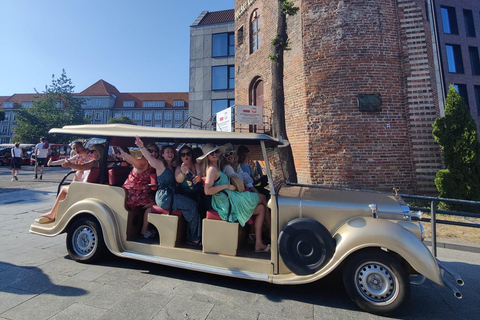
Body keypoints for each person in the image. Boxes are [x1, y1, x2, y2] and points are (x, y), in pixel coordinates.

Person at [198, 143, 270, 252]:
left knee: (261, 209)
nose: (214, 154)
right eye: (211, 153)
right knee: (263, 198)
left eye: (216, 152)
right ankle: (271, 230)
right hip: (226, 202)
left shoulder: (217, 167)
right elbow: (207, 190)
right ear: (207, 157)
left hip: (230, 198)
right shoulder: (212, 169)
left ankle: (259, 243)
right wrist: (226, 186)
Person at [136, 136, 201, 244]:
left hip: (172, 195)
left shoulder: (174, 166)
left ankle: (186, 234)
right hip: (165, 196)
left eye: (171, 152)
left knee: (192, 203)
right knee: (192, 205)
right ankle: (193, 237)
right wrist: (142, 147)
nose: (170, 154)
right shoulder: (160, 165)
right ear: (162, 154)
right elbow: (150, 159)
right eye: (167, 152)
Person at [38, 144, 104, 223]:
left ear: (99, 152)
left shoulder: (94, 162)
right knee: (71, 184)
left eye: (92, 151)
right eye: (89, 151)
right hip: (92, 187)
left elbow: (82, 167)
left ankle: (52, 213)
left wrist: (70, 165)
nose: (89, 153)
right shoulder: (104, 163)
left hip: (85, 189)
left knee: (63, 189)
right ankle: (61, 211)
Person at [113, 143, 158, 211]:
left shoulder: (152, 163)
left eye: (156, 151)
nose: (154, 153)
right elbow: (135, 162)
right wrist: (124, 155)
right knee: (158, 202)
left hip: (143, 193)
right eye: (150, 151)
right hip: (132, 194)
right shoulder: (144, 162)